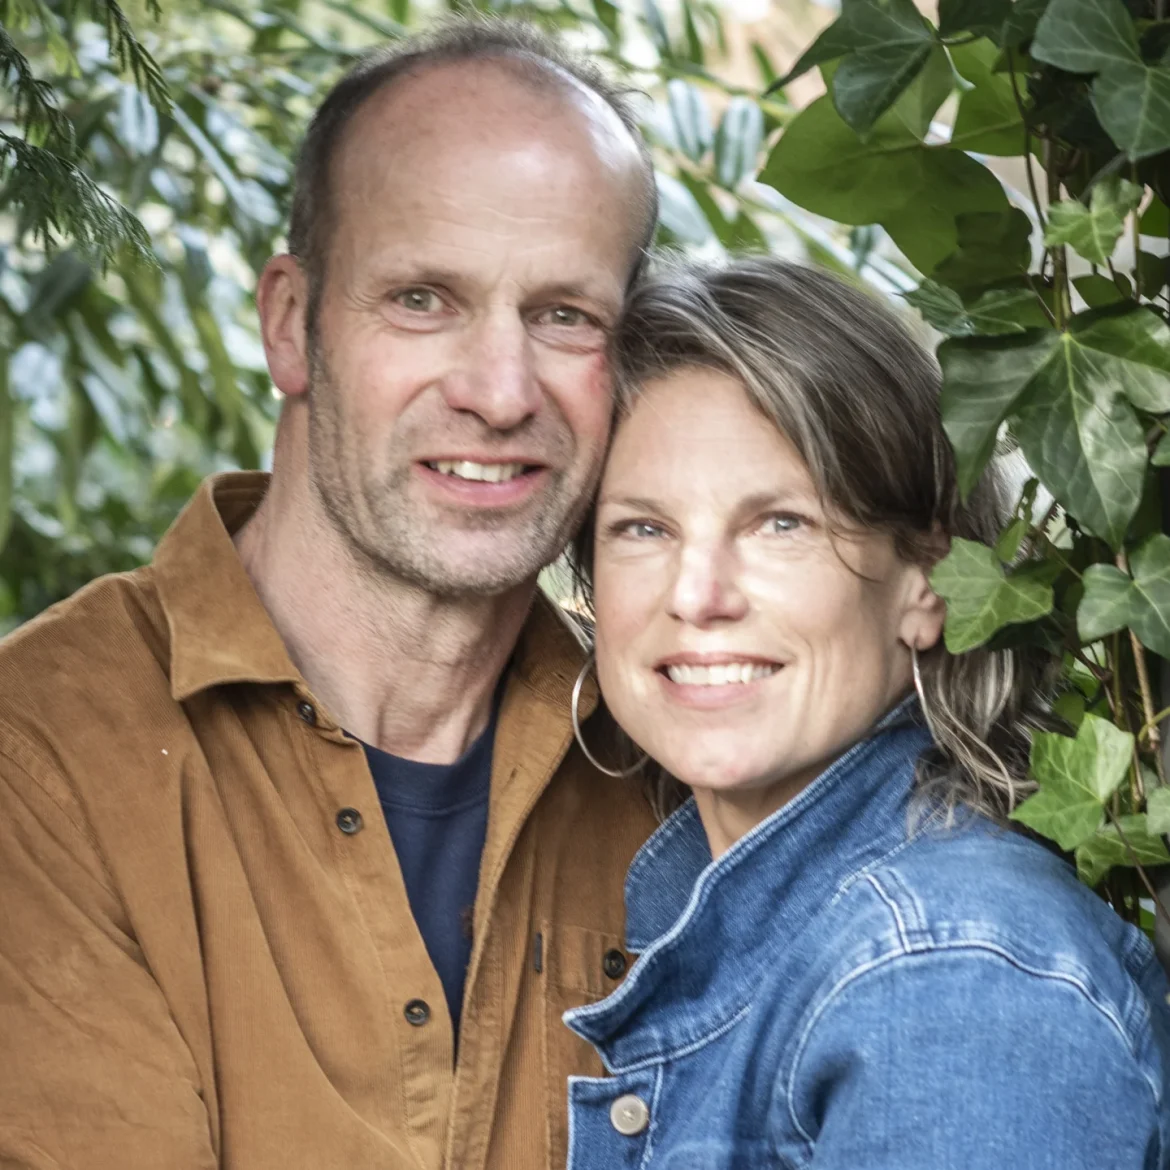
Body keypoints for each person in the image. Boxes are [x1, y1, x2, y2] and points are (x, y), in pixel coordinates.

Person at [0, 19, 662, 1170]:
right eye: (423, 299)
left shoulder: (670, 762)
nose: (501, 394)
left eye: (565, 316)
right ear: (290, 325)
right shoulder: (42, 756)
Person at [562, 257, 1170, 1168]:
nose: (697, 595)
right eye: (643, 528)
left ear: (925, 582)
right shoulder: (766, 923)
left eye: (781, 524)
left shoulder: (946, 981)